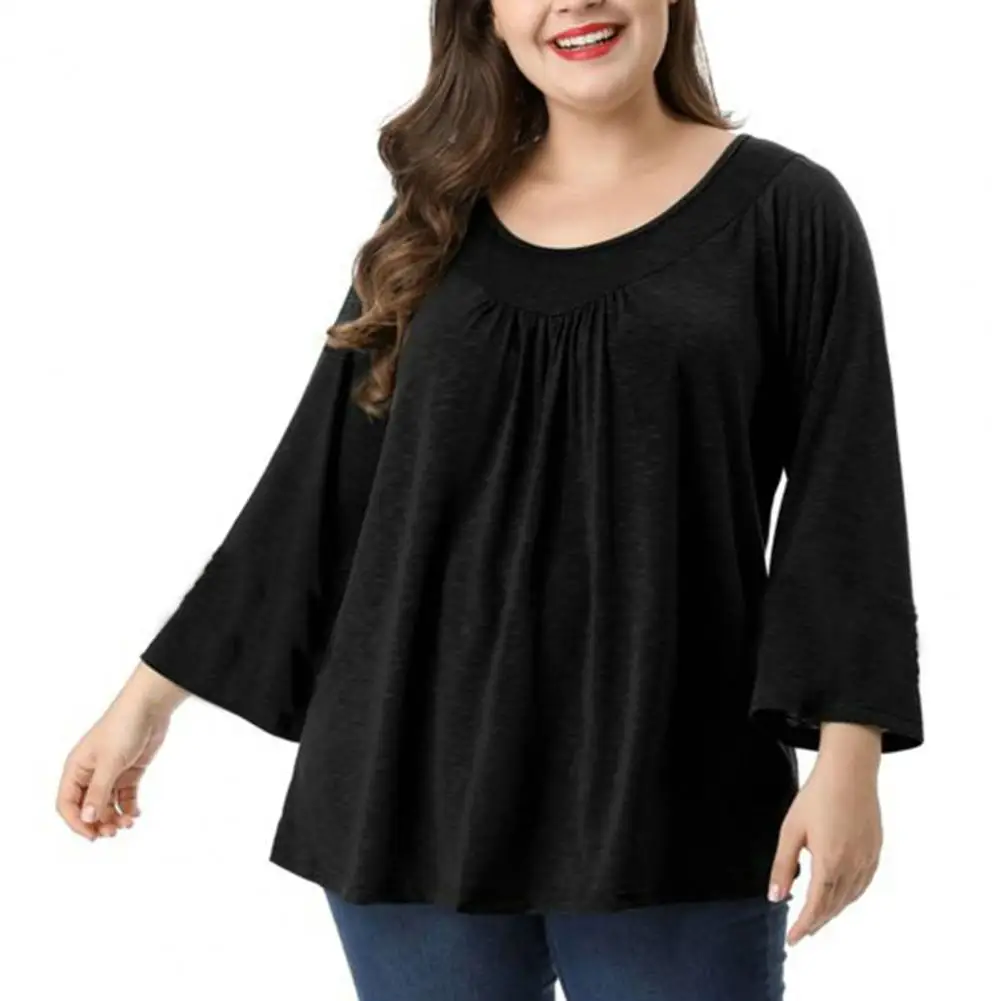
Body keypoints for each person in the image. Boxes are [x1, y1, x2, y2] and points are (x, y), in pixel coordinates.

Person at [56, 1, 924, 998]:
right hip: (409, 783)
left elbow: (844, 496)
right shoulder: (432, 220)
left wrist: (849, 757)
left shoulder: (786, 210)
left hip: (670, 782)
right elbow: (318, 490)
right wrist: (145, 700)